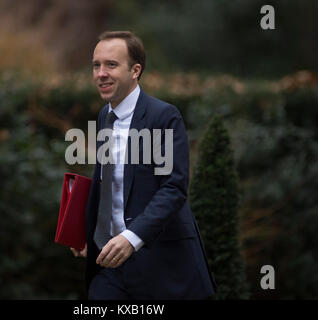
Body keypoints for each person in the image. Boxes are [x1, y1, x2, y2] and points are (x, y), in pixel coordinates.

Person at [71, 31, 216, 299]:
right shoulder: (105, 115)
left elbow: (173, 187)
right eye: (96, 65)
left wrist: (131, 237)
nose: (100, 73)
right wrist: (90, 235)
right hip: (110, 268)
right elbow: (109, 185)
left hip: (161, 264)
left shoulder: (164, 116)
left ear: (135, 70)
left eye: (111, 65)